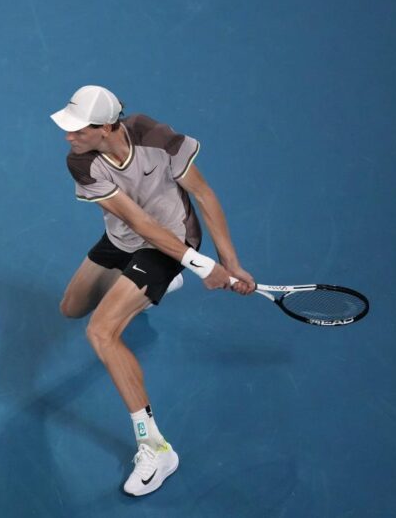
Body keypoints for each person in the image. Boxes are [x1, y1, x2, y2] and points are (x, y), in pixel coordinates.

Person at [50, 85, 256, 497]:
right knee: (71, 309)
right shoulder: (81, 162)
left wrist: (227, 261)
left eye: (78, 129)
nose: (69, 137)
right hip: (128, 238)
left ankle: (156, 448)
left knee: (100, 331)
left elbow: (203, 193)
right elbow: (139, 224)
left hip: (173, 242)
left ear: (108, 126)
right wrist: (202, 269)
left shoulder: (156, 138)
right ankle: (150, 286)